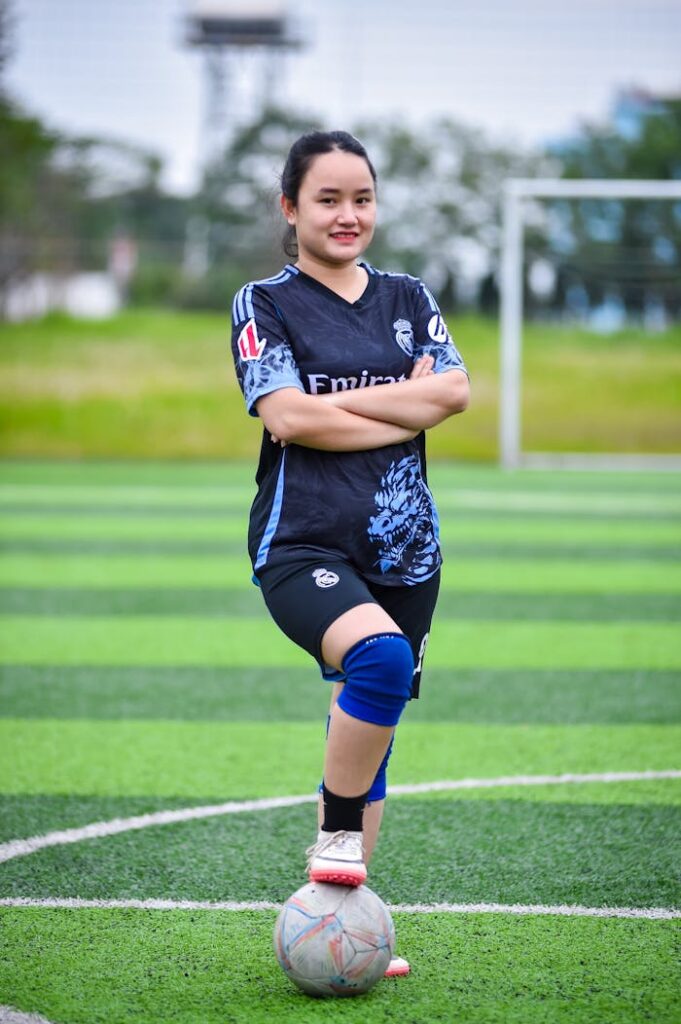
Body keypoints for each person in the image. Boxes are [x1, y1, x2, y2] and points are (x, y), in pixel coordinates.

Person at [230, 130, 469, 977]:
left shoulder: (408, 295)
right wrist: (402, 402)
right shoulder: (265, 302)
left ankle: (339, 928)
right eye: (327, 199)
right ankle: (334, 838)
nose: (347, 215)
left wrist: (343, 408)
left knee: (374, 726)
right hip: (302, 544)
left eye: (360, 198)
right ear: (290, 208)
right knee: (378, 660)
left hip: (406, 551)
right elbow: (286, 417)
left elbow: (453, 392)